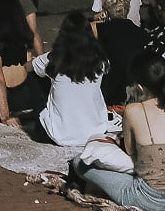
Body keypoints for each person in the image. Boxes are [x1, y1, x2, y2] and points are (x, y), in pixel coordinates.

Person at [71, 53, 165, 211]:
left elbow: (131, 152)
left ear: (139, 87)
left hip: (147, 199)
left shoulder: (134, 111)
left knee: (80, 163)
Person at [30, 11, 110, 147]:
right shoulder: (101, 61)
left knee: (37, 78)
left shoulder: (54, 59)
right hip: (94, 131)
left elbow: (32, 67)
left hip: (59, 134)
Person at [0, 0, 45, 124]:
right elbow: (28, 67)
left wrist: (5, 115)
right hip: (25, 97)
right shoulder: (24, 37)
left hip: (1, 99)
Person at [95, 0, 148, 105]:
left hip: (108, 92)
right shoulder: (141, 33)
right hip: (133, 91)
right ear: (128, 9)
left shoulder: (98, 30)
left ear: (105, 10)